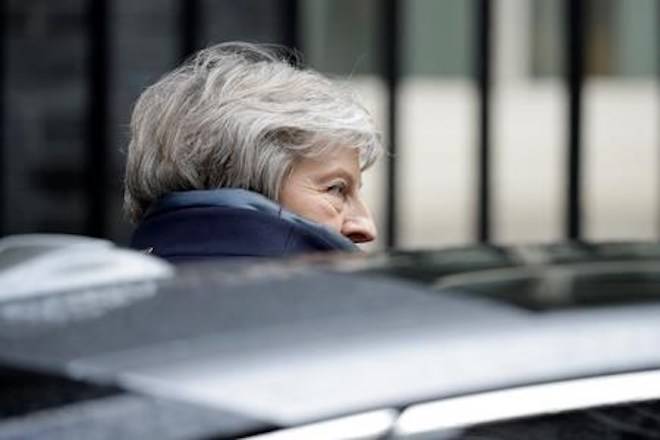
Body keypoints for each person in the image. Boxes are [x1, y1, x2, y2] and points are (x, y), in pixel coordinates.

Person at [123, 42, 382, 262]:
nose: (366, 227)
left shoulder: (108, 301)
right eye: (336, 189)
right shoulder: (327, 316)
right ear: (244, 184)